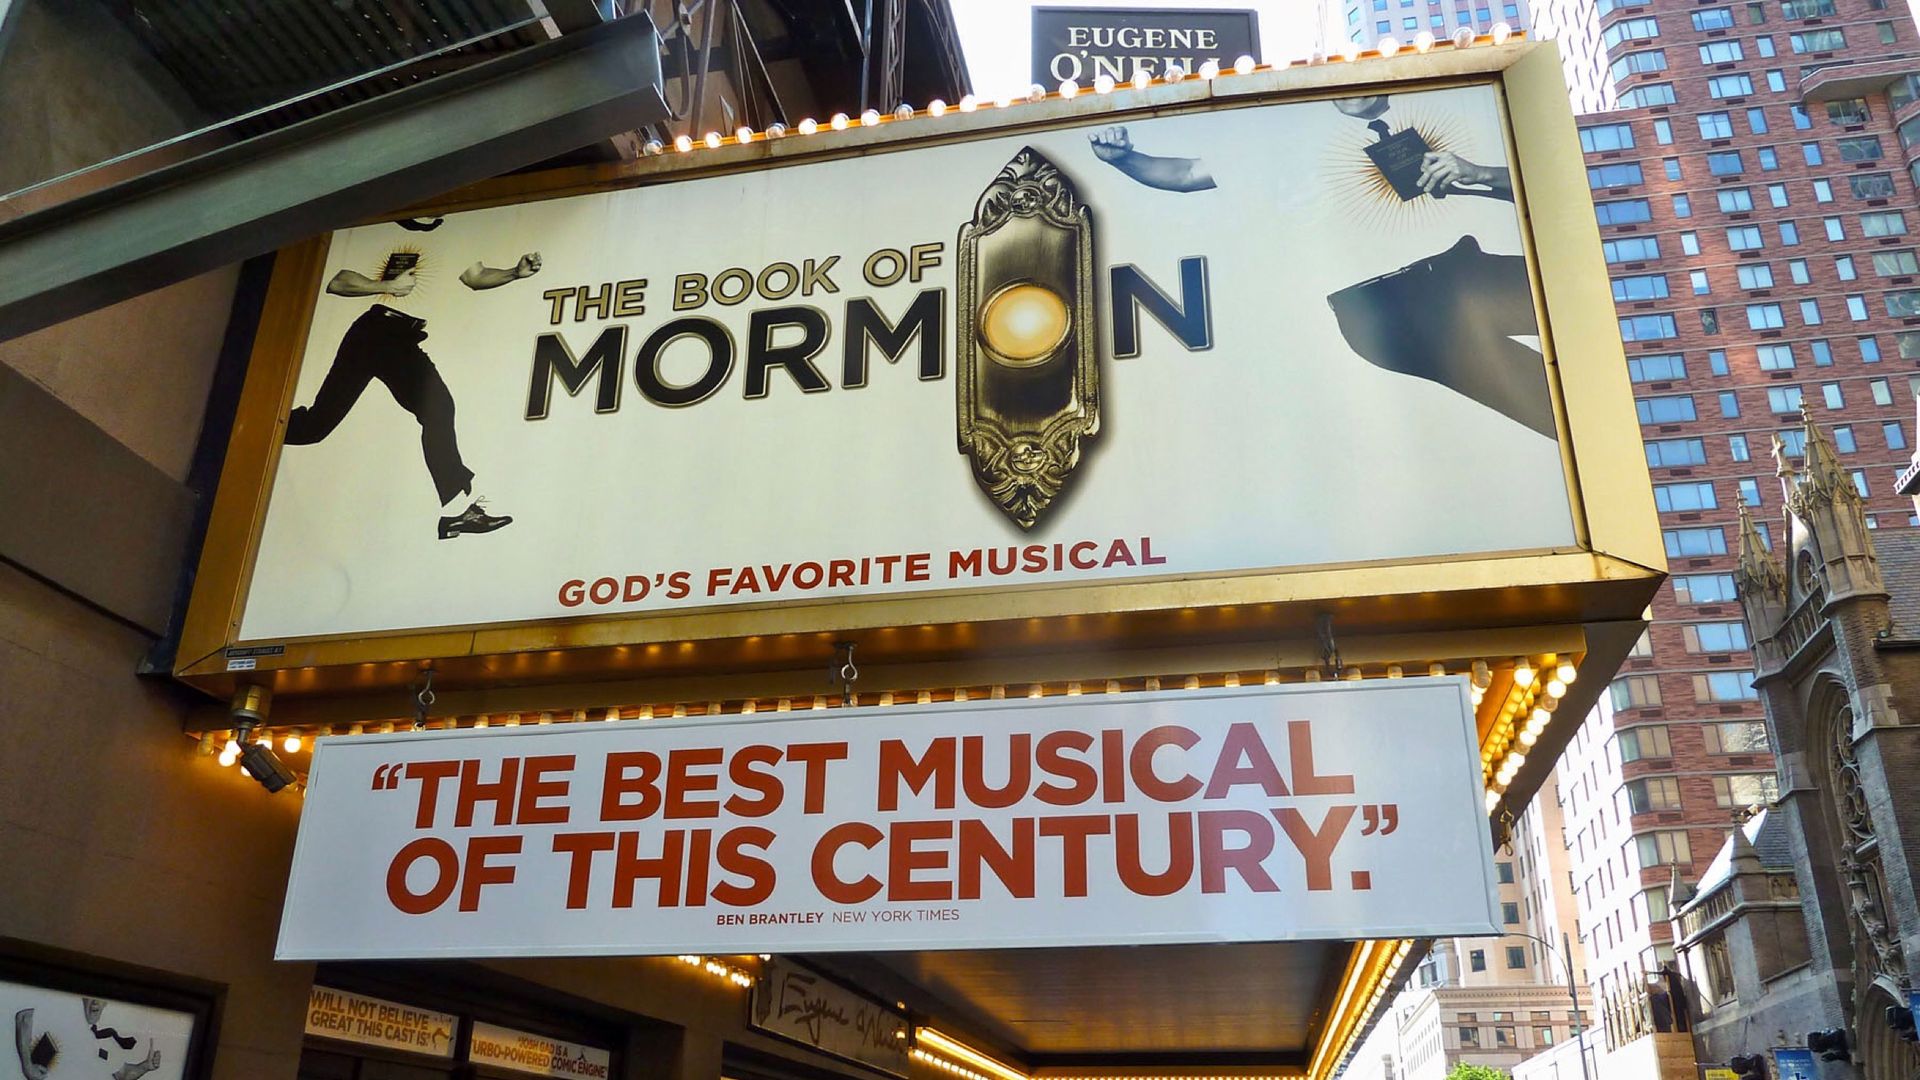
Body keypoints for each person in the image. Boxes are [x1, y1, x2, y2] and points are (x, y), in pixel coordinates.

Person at [284, 228, 541, 540]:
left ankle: (456, 512)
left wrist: (514, 272)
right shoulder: (388, 226)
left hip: (403, 339)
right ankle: (260, 423)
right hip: (374, 332)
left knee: (438, 410)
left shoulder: (453, 232)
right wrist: (386, 286)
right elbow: (338, 282)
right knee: (315, 428)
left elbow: (475, 277)